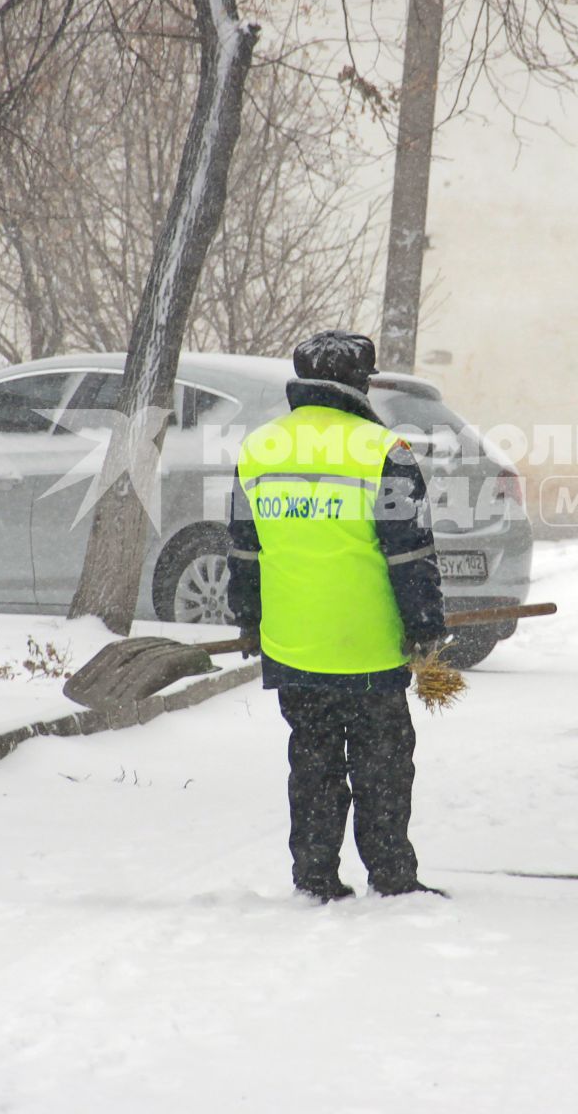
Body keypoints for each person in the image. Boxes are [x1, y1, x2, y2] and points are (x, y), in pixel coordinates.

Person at [226, 330, 449, 902]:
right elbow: (410, 553)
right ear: (360, 383)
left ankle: (315, 877)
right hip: (368, 648)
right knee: (382, 766)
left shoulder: (260, 449)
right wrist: (425, 629)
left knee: (314, 764)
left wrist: (248, 618)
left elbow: (244, 549)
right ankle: (392, 875)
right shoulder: (384, 451)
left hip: (294, 648)